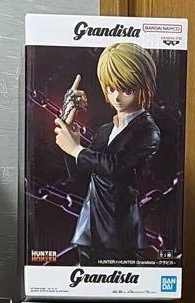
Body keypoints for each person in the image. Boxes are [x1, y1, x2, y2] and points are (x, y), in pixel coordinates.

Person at [52, 42, 161, 263]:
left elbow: (116, 166)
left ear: (143, 85)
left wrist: (76, 149)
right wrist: (70, 133)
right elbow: (80, 176)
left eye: (126, 89)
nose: (117, 97)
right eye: (111, 89)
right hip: (88, 229)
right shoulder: (105, 131)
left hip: (119, 235)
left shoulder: (148, 130)